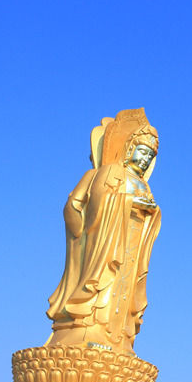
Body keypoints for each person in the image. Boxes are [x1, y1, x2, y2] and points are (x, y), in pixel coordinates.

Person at [45, 108, 162, 353]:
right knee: (100, 289)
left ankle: (118, 340)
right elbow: (75, 208)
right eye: (142, 152)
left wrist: (150, 211)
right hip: (103, 250)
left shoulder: (145, 187)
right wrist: (126, 202)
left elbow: (150, 219)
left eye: (150, 157)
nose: (144, 160)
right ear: (129, 149)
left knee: (122, 295)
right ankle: (86, 330)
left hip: (129, 256)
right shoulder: (106, 172)